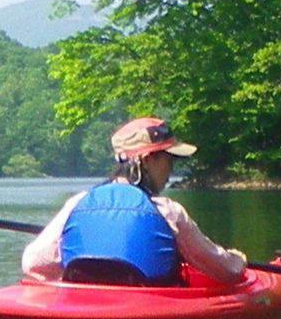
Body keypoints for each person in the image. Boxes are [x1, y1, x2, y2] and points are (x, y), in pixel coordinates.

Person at [22, 117, 251, 289]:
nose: (171, 168)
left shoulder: (78, 204)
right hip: (150, 313)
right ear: (147, 159)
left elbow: (33, 263)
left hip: (86, 307)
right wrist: (238, 261)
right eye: (168, 158)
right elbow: (227, 271)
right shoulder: (168, 212)